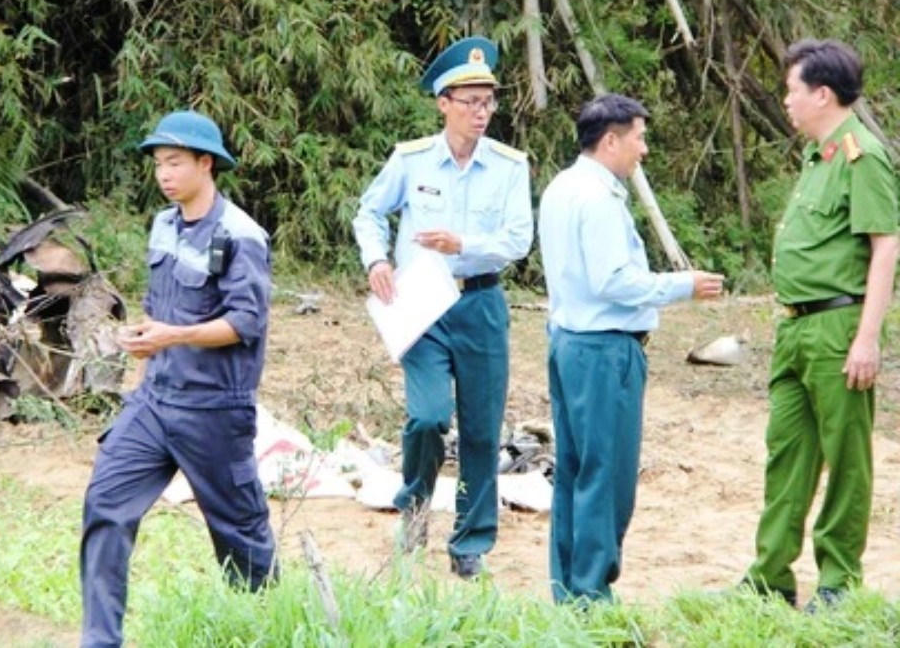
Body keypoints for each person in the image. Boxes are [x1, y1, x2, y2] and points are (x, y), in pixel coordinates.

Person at [79, 110, 277, 647]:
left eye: (174, 163)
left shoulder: (241, 235)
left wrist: (171, 336)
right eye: (158, 164)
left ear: (205, 164)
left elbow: (246, 323)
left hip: (215, 408)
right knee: (105, 505)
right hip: (154, 400)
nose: (164, 175)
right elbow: (164, 307)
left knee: (240, 537)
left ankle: (267, 630)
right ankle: (99, 641)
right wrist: (145, 335)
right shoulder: (164, 223)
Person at [352, 36, 532, 578]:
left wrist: (466, 247)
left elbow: (519, 238)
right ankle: (414, 512)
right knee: (428, 417)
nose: (482, 112)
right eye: (470, 101)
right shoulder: (410, 160)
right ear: (443, 103)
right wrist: (376, 260)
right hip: (422, 307)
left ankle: (470, 543)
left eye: (489, 101)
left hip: (479, 301)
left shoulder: (509, 165)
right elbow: (368, 212)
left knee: (481, 429)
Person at [537, 93, 724, 604]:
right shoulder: (596, 197)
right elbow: (614, 281)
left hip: (570, 344)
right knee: (607, 474)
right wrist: (683, 285)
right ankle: (592, 596)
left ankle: (570, 589)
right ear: (611, 140)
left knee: (575, 471)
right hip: (603, 351)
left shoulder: (562, 186)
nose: (644, 149)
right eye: (639, 137)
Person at [741, 39, 898, 610]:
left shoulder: (863, 156)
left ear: (822, 94)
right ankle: (769, 578)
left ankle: (837, 581)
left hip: (838, 326)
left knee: (846, 455)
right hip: (794, 329)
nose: (786, 100)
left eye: (792, 90)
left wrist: (867, 337)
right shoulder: (818, 157)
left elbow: (885, 248)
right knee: (787, 452)